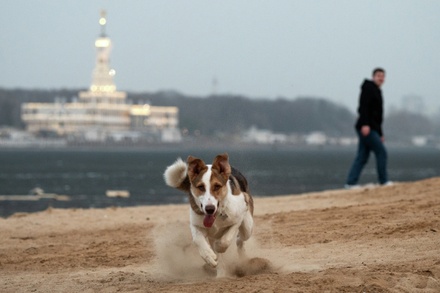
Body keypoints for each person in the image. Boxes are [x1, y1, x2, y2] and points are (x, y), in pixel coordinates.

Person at [345, 68, 391, 188]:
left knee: (362, 156)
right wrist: (365, 124)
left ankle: (350, 183)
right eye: (378, 76)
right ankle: (384, 181)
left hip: (373, 128)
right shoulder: (368, 88)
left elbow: (378, 116)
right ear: (373, 77)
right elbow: (363, 107)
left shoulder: (377, 91)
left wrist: (380, 133)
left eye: (383, 76)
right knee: (381, 152)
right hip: (366, 127)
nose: (381, 78)